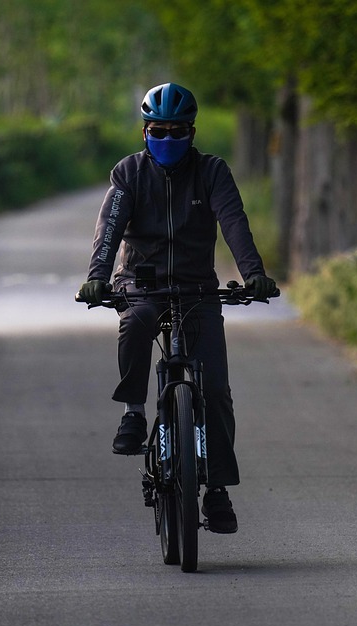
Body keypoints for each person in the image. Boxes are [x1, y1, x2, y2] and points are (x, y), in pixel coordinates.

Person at [79, 82, 277, 534]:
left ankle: (217, 489)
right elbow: (109, 230)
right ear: (145, 132)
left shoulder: (212, 172)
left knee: (216, 390)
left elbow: (234, 223)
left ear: (192, 132)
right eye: (159, 132)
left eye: (177, 132)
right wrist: (97, 277)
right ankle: (133, 412)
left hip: (197, 290)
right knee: (137, 322)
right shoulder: (128, 174)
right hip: (141, 284)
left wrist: (254, 273)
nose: (168, 139)